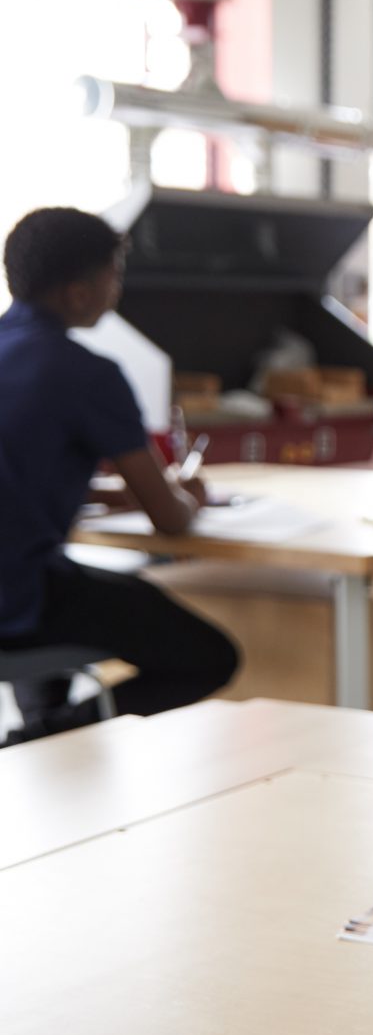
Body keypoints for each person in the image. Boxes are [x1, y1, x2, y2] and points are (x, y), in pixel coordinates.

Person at [0, 208, 238, 746]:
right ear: (79, 291)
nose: (117, 289)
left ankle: (46, 736)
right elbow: (170, 519)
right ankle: (45, 739)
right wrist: (191, 497)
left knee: (77, 592)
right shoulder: (87, 374)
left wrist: (104, 493)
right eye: (115, 274)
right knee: (210, 656)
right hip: (18, 602)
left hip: (17, 582)